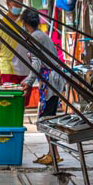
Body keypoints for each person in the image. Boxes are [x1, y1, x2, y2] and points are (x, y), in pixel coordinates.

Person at [17, 9, 65, 165]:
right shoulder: (40, 35)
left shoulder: (35, 37)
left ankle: (54, 154)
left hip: (50, 81)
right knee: (46, 118)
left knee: (46, 119)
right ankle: (52, 152)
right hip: (50, 80)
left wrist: (29, 81)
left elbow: (36, 63)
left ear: (25, 23)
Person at [0, 0, 26, 85]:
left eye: (21, 4)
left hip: (25, 69)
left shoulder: (25, 22)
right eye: (16, 3)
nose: (19, 6)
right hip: (7, 69)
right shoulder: (0, 24)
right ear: (8, 4)